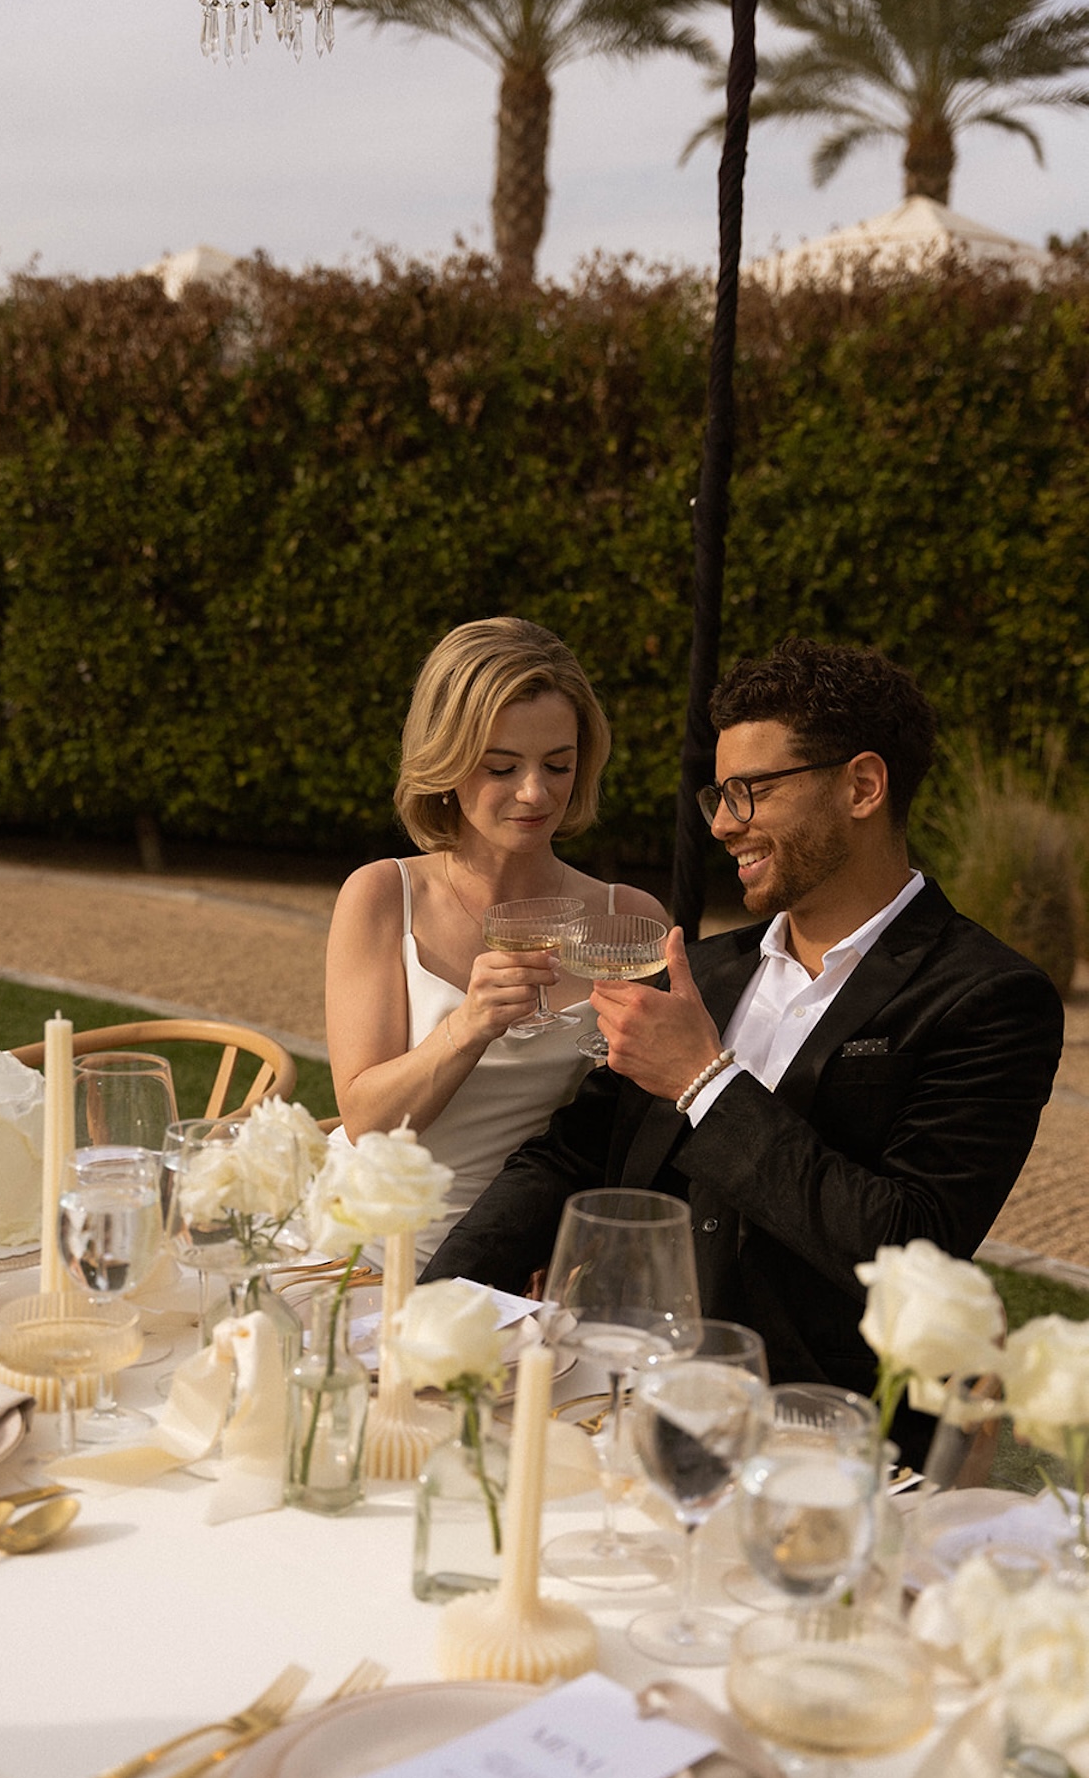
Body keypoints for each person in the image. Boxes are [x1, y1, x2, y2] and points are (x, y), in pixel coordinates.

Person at [421, 640, 1065, 1461]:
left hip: (813, 1438)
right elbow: (565, 1161)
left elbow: (910, 1246)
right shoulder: (705, 970)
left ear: (863, 786)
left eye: (750, 792)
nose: (723, 823)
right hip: (606, 1392)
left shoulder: (987, 998)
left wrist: (704, 1080)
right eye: (718, 795)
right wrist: (434, 1309)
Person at [325, 616, 667, 1268]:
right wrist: (469, 1026)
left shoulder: (628, 919)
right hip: (364, 1259)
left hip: (528, 1265)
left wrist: (572, 1248)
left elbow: (635, 1132)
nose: (536, 793)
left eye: (558, 765)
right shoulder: (382, 899)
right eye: (503, 766)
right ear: (446, 763)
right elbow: (366, 1121)